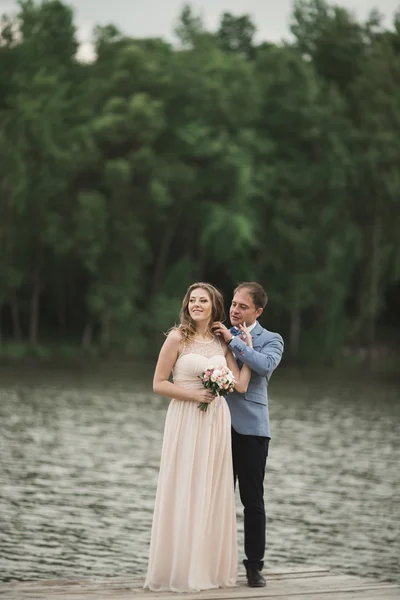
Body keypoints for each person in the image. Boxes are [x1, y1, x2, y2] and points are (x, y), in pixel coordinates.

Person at [144, 282, 253, 593]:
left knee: (210, 491)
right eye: (192, 300)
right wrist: (194, 396)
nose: (196, 305)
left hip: (216, 422)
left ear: (213, 306)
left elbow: (238, 385)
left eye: (203, 300)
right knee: (185, 487)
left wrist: (244, 346)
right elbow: (158, 384)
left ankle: (206, 568)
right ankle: (178, 568)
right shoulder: (178, 338)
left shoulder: (221, 341)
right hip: (187, 420)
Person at [212, 282, 284, 588]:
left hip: (253, 430)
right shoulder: (216, 334)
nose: (234, 310)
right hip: (216, 425)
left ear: (258, 310)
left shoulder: (272, 340)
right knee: (214, 497)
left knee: (252, 501)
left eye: (242, 306)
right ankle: (211, 563)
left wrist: (234, 342)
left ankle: (254, 567)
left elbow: (263, 366)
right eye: (233, 304)